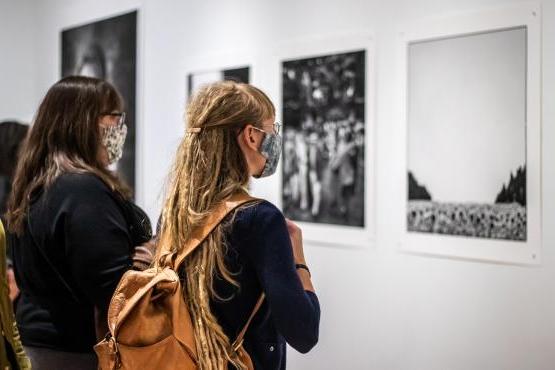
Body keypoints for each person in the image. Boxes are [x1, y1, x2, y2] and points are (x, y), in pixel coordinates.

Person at [157, 81, 320, 369]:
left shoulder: (175, 213)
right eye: (272, 128)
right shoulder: (259, 219)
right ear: (251, 136)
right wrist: (299, 260)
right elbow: (304, 332)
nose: (275, 137)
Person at [5, 76, 153, 369]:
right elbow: (112, 288)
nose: (120, 127)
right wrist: (151, 258)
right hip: (77, 353)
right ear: (84, 123)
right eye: (114, 117)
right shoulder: (82, 191)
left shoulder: (40, 184)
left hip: (43, 345)